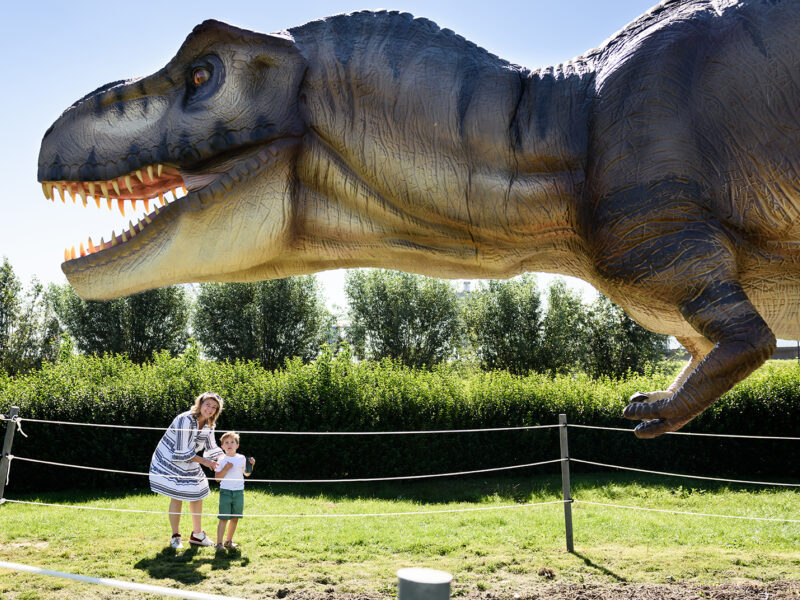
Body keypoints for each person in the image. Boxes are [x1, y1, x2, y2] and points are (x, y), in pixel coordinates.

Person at [149, 392, 224, 549]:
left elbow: (211, 447)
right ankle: (175, 537)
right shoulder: (186, 419)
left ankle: (197, 535)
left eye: (214, 407)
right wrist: (205, 461)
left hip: (190, 459)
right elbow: (182, 452)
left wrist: (228, 459)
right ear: (200, 404)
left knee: (198, 492)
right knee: (177, 496)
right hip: (171, 459)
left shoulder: (210, 423)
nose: (210, 409)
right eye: (207, 405)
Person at [214, 431, 255, 550]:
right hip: (226, 492)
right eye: (226, 442)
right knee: (223, 518)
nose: (229, 444)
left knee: (235, 518)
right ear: (222, 446)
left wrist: (251, 465)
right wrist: (226, 468)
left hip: (238, 492)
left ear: (237, 445)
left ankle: (228, 541)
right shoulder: (221, 460)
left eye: (232, 442)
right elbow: (217, 479)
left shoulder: (241, 458)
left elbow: (247, 474)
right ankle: (219, 543)